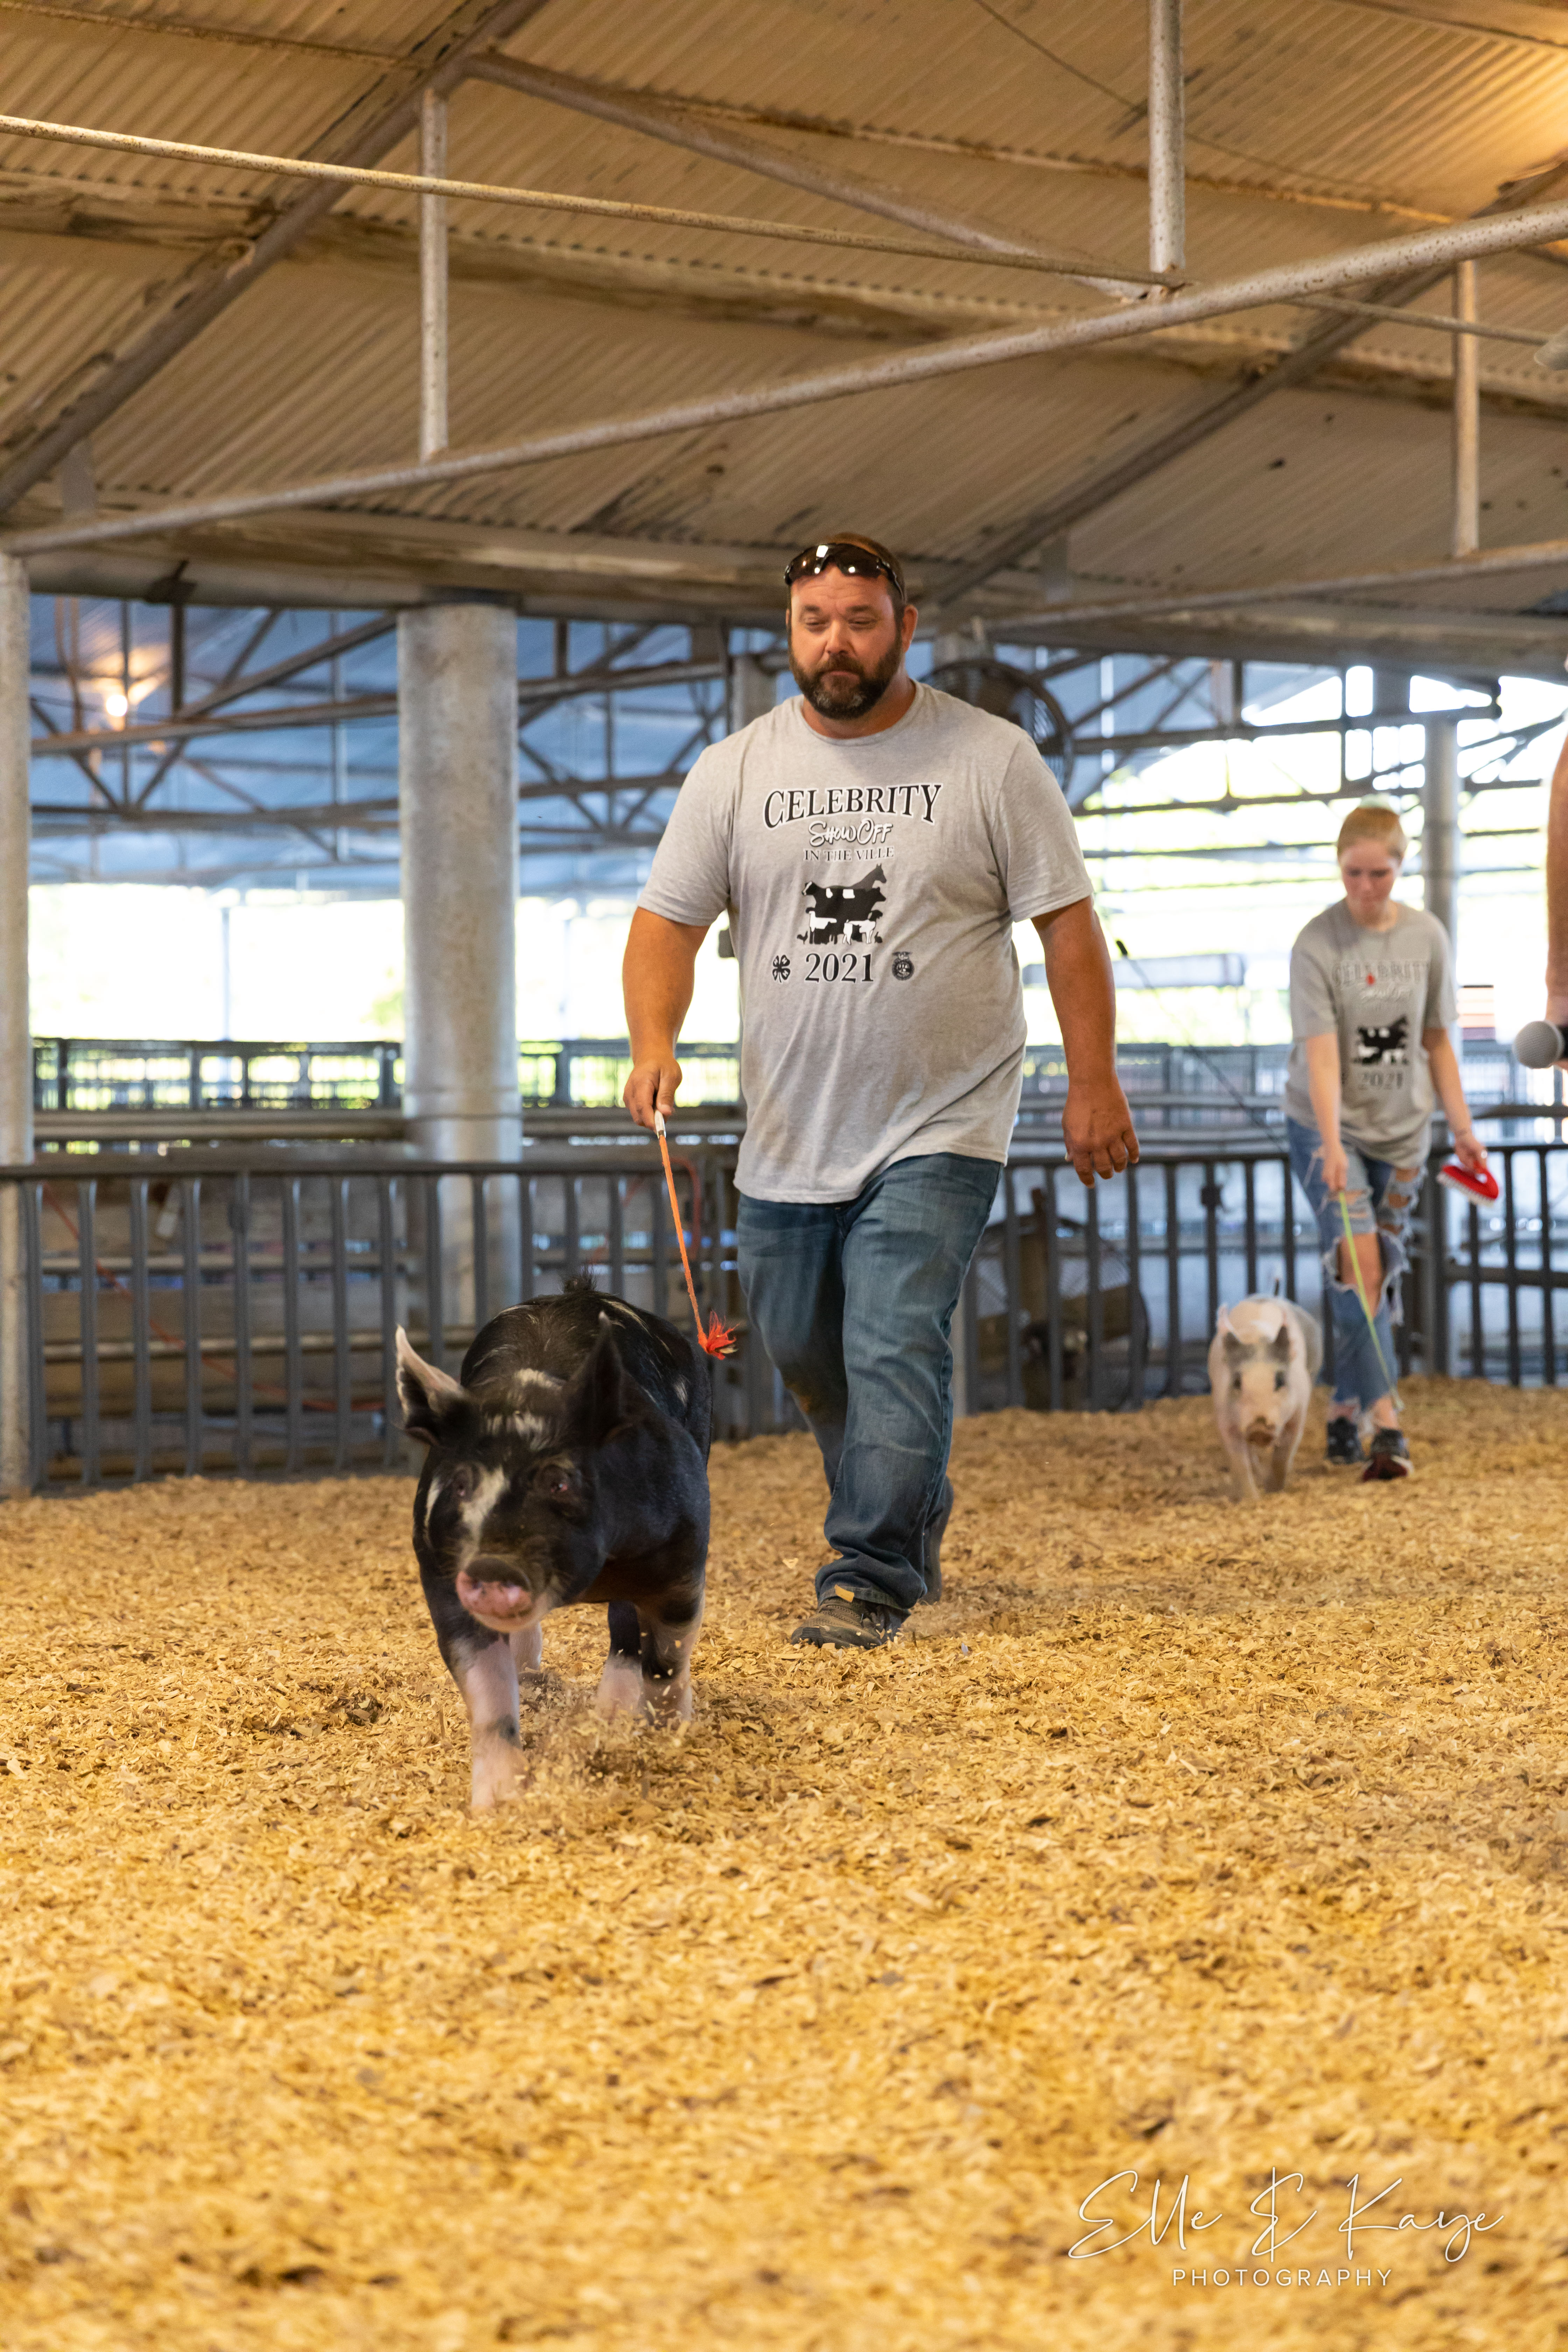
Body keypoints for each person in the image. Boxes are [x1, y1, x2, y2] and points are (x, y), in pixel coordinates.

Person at [621, 531, 1137, 1651]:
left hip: (944, 1117)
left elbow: (1068, 929)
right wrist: (653, 1041)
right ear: (790, 632)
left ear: (906, 627)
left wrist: (1093, 1080)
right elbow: (666, 922)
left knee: (895, 1335)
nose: (837, 643)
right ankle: (906, 1500)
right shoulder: (736, 771)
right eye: (816, 623)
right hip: (790, 1130)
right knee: (808, 1353)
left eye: (860, 621)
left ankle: (871, 1571)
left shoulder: (991, 759)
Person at [1283, 802, 1488, 1478]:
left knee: (1372, 1277)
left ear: (1402, 867)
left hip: (1404, 1131)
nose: (1366, 887)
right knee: (1362, 1267)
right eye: (1354, 874)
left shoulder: (1427, 937)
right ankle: (1387, 1425)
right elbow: (1320, 1056)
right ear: (1339, 868)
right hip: (1327, 1125)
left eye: (1380, 874)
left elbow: (1437, 1040)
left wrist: (1462, 1131)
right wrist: (1331, 1147)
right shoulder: (1317, 944)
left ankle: (1343, 1410)